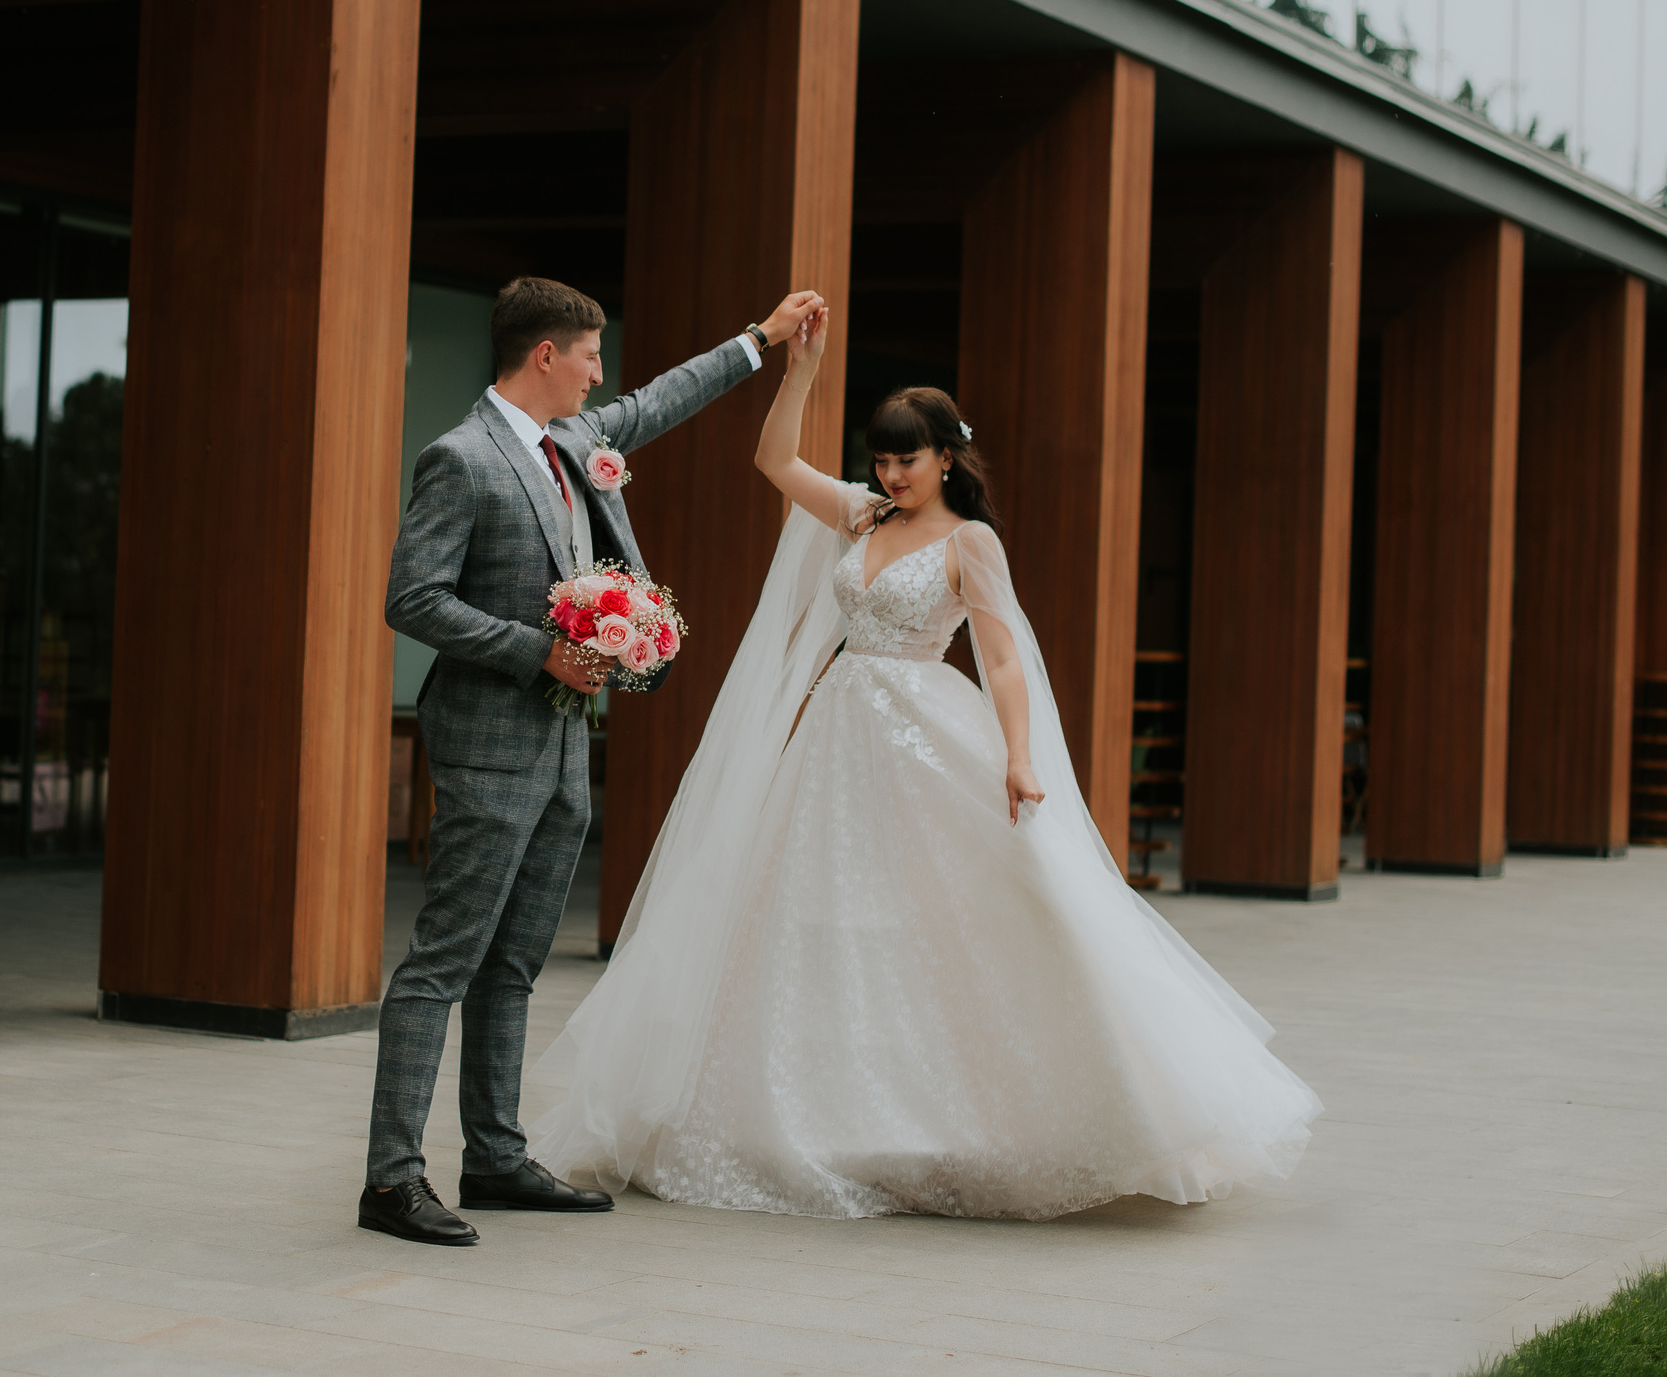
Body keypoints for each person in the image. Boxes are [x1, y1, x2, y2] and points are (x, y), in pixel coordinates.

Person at [530, 300, 1323, 1220]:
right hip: (836, 737)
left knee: (948, 917)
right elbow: (775, 462)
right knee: (819, 915)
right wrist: (801, 372)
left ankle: (974, 1114)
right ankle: (836, 1115)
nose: (891, 474)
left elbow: (1002, 658)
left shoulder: (970, 542)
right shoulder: (863, 515)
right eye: (882, 459)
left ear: (947, 457)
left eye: (907, 459)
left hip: (924, 730)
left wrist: (1020, 757)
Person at [364, 275, 828, 1247]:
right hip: (488, 745)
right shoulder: (462, 458)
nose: (597, 374)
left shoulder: (575, 442)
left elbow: (659, 402)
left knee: (513, 965)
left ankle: (494, 1158)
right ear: (545, 355)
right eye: (588, 356)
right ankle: (392, 1179)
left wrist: (761, 337)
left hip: (566, 748)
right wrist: (536, 649)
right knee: (443, 961)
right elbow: (412, 598)